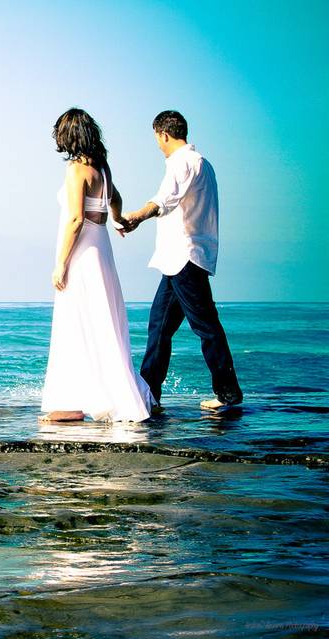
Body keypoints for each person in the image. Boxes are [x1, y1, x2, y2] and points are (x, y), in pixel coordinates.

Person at [119, 110, 243, 412]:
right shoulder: (205, 165)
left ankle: (228, 393)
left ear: (163, 134)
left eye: (156, 139)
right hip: (180, 260)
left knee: (206, 327)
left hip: (185, 258)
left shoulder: (183, 162)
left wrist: (134, 217)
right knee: (159, 328)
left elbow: (164, 199)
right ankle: (150, 394)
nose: (157, 145)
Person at [39, 108, 154, 423]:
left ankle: (72, 403)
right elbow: (115, 198)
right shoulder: (102, 167)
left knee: (78, 321)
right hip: (101, 246)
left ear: (68, 136)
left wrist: (60, 264)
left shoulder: (77, 170)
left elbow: (76, 218)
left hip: (84, 249)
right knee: (102, 320)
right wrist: (119, 220)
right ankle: (96, 395)